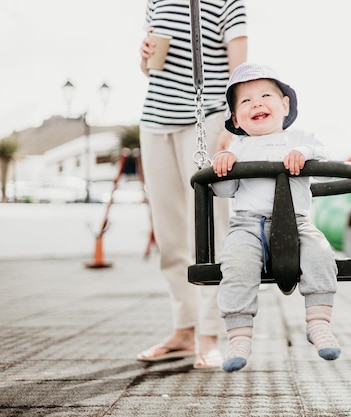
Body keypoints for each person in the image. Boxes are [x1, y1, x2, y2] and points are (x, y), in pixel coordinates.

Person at [136, 0, 247, 369]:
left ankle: (211, 334)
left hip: (207, 116)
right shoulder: (155, 1)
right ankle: (184, 329)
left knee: (209, 230)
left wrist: (233, 130)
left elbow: (240, 70)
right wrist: (144, 55)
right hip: (154, 120)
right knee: (169, 234)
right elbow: (150, 68)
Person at [211, 62, 341, 372]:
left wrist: (305, 153)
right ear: (235, 118)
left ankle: (318, 322)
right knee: (236, 266)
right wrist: (223, 162)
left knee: (321, 255)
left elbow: (322, 151)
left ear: (284, 105)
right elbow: (224, 190)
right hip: (248, 225)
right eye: (245, 101)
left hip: (297, 222)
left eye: (266, 95)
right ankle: (239, 335)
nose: (256, 103)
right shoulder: (238, 148)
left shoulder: (300, 137)